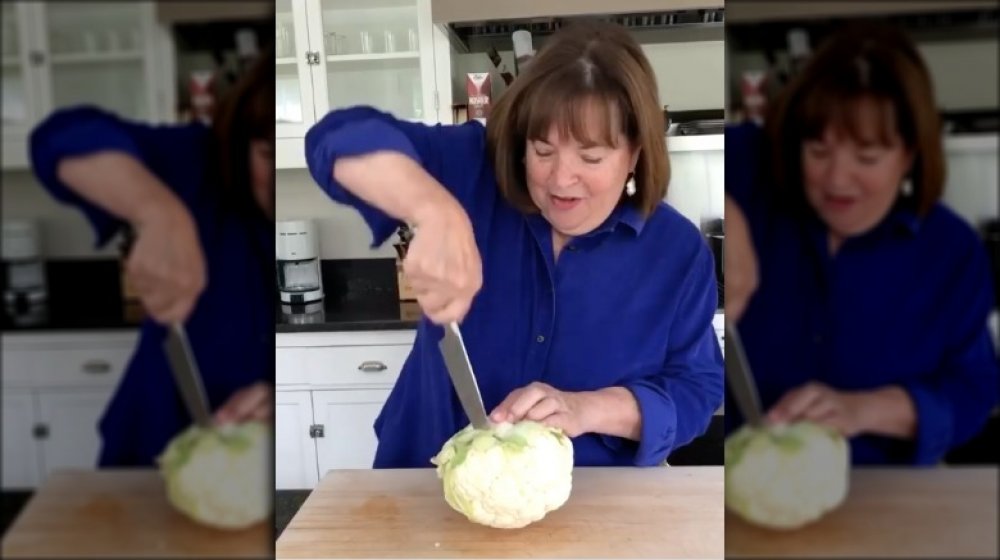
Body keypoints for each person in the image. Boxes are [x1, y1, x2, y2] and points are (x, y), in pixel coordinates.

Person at [304, 21, 724, 468]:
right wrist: (433, 209)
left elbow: (697, 386)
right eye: (543, 151)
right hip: (421, 485)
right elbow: (335, 140)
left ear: (636, 153)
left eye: (591, 157)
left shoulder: (677, 253)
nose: (561, 179)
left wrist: (589, 408)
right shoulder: (473, 168)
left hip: (589, 506)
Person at [724, 21, 999, 465]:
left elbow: (973, 390)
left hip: (880, 499)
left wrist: (865, 409)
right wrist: (731, 218)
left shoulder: (951, 253)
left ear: (910, 154)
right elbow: (665, 159)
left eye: (867, 157)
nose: (836, 179)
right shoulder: (755, 173)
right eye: (818, 150)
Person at [28, 46, 275, 467]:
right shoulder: (199, 165)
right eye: (267, 154)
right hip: (148, 457)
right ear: (240, 146)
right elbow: (60, 136)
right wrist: (158, 212)